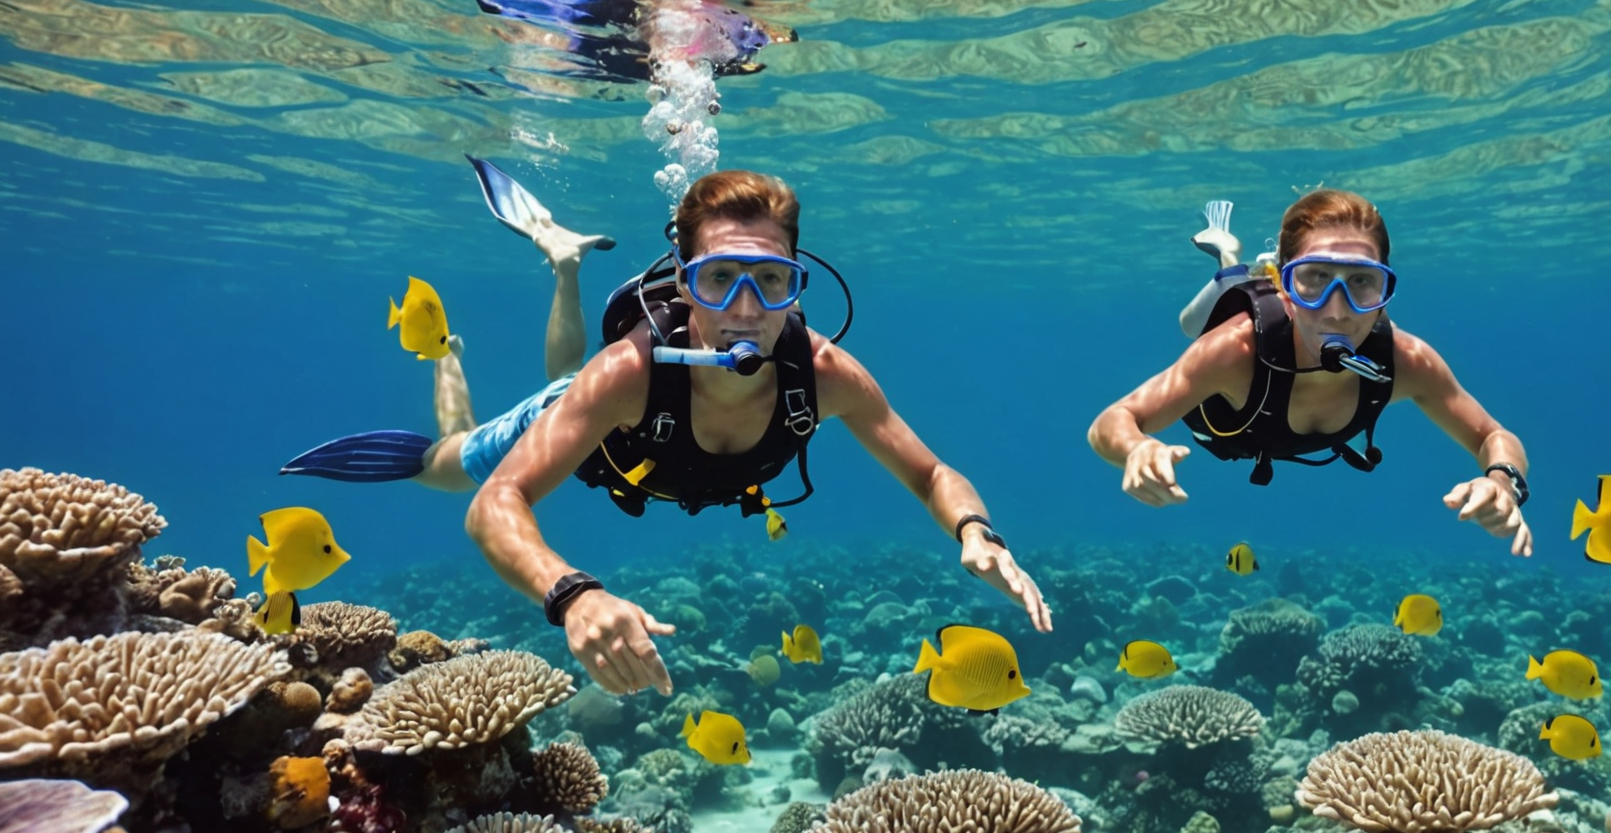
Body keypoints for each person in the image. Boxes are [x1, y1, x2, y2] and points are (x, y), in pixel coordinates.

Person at [283, 164, 1051, 694]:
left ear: (796, 283)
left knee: (566, 384)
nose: (747, 308)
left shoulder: (823, 373)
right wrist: (573, 597)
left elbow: (930, 473)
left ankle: (564, 265)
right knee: (449, 463)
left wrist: (976, 530)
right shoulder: (626, 373)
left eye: (771, 281)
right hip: (596, 425)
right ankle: (500, 318)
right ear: (683, 286)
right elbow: (496, 505)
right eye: (720, 278)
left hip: (630, 434)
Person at [1088, 189, 1534, 556]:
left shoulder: (1404, 360)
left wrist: (1503, 481)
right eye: (1315, 278)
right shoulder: (1235, 350)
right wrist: (1135, 449)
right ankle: (1229, 258)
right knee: (1195, 321)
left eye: (1361, 281)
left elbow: (1493, 436)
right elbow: (1112, 421)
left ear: (1385, 288)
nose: (1337, 311)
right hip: (1239, 321)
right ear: (1286, 285)